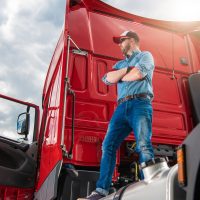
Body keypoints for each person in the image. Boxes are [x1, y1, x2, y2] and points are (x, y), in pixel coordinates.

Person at [78, 30, 155, 200]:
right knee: (108, 145)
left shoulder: (146, 56)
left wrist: (124, 75)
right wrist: (127, 70)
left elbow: (139, 74)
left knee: (143, 143)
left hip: (140, 104)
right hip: (121, 108)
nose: (119, 44)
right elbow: (107, 79)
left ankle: (149, 186)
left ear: (132, 40)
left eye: (122, 40)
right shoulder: (120, 64)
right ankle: (101, 191)